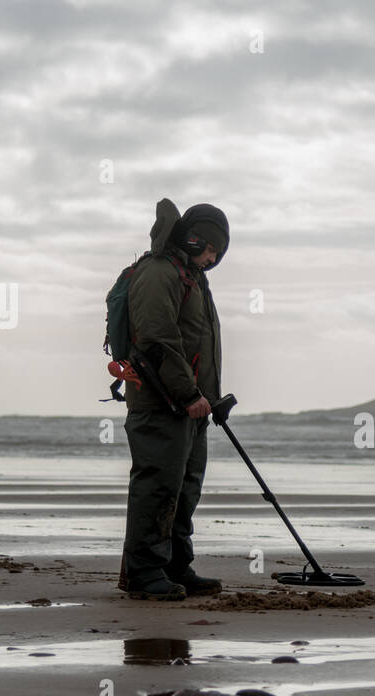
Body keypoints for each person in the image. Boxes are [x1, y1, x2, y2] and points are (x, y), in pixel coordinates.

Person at [118, 201, 229, 600]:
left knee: (185, 489)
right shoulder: (159, 272)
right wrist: (187, 393)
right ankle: (145, 574)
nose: (213, 257)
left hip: (190, 405)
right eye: (210, 247)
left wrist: (209, 400)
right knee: (158, 486)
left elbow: (197, 344)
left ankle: (176, 566)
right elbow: (157, 340)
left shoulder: (192, 276)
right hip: (159, 402)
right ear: (193, 235)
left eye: (219, 252)